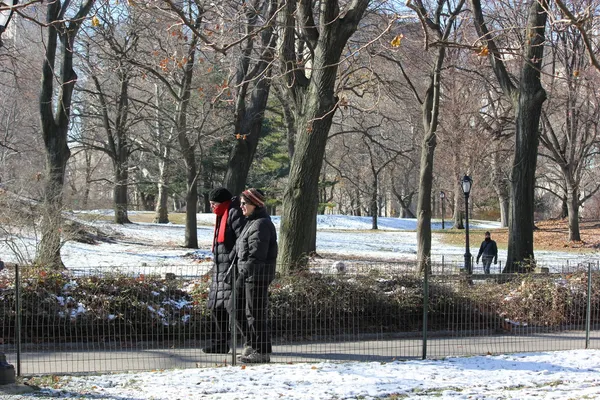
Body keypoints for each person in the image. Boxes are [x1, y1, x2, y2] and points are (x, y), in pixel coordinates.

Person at [230, 188, 278, 363]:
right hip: (247, 274)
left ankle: (262, 351)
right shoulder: (251, 222)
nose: (241, 207)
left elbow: (257, 256)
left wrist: (242, 276)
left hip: (257, 276)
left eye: (244, 203)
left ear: (255, 204)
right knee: (234, 308)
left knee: (255, 314)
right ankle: (251, 342)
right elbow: (242, 247)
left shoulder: (261, 224)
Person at [203, 187, 246, 354]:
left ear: (222, 203)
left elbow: (241, 239)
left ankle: (253, 343)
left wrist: (232, 259)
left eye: (214, 204)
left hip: (230, 269)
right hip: (220, 268)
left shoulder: (234, 213)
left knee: (232, 308)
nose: (212, 207)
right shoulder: (222, 214)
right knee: (216, 307)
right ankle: (218, 343)